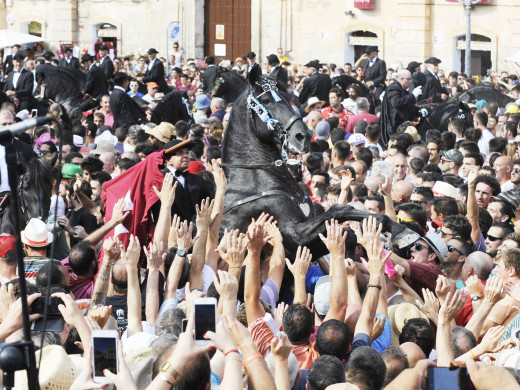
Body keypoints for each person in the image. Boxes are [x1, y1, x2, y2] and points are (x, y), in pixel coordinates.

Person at [380, 69, 421, 146]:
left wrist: (419, 111)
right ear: (402, 79)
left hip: (401, 125)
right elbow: (396, 102)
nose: (411, 81)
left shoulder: (403, 89)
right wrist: (413, 96)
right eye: (409, 79)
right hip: (394, 127)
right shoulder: (394, 88)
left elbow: (407, 104)